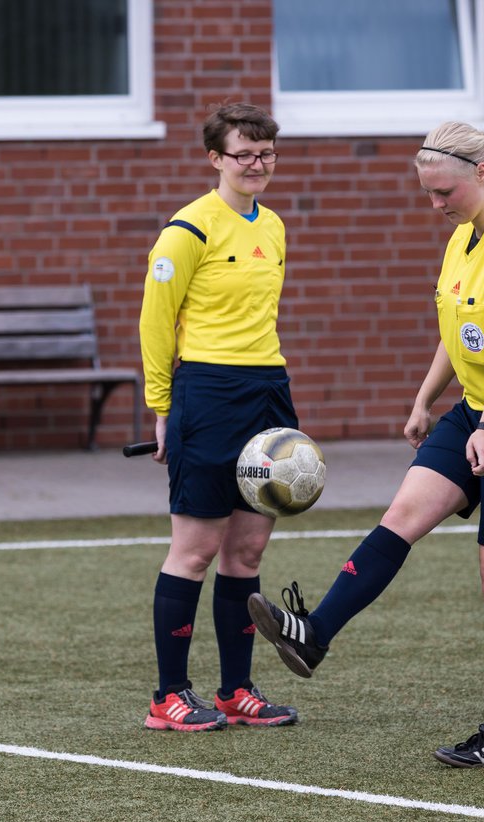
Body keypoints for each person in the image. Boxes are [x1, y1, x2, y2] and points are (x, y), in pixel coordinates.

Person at [248, 121, 484, 767]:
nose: (436, 205)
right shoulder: (463, 239)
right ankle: (315, 633)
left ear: (482, 173)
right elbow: (457, 331)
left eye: (443, 191)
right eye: (428, 193)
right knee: (402, 515)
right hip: (475, 410)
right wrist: (426, 400)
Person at [137, 103, 300, 730]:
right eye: (244, 155)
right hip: (205, 392)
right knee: (197, 548)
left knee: (249, 547)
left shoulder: (275, 226)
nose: (257, 166)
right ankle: (168, 697)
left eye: (266, 154)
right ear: (216, 159)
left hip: (268, 390)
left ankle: (237, 690)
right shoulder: (187, 230)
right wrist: (161, 408)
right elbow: (155, 323)